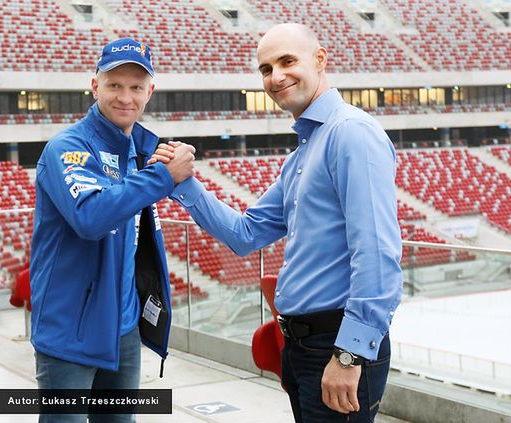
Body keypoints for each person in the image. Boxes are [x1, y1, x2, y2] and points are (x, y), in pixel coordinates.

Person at [150, 23, 402, 422]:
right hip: (302, 345)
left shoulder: (350, 133)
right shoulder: (302, 153)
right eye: (266, 69)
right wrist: (185, 183)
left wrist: (350, 353)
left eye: (287, 61)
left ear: (320, 60)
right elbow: (246, 234)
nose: (276, 77)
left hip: (336, 344)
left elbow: (377, 252)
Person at [29, 37, 195, 423]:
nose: (125, 97)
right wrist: (162, 176)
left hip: (124, 327)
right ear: (94, 86)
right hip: (69, 331)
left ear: (149, 92)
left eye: (136, 87)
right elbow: (91, 217)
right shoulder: (67, 147)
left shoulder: (138, 151)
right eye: (114, 85)